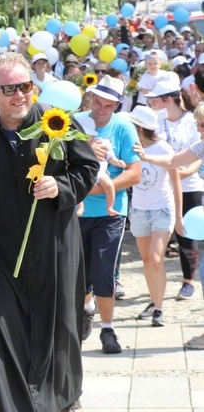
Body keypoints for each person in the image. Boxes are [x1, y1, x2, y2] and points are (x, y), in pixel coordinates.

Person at [0, 53, 99, 412]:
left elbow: (87, 169)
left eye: (25, 86)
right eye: (9, 88)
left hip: (55, 242)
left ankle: (68, 397)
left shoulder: (58, 122)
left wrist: (61, 188)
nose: (20, 95)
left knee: (62, 323)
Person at [75, 76, 141, 352]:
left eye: (108, 105)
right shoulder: (75, 122)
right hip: (76, 212)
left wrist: (102, 190)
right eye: (97, 102)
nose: (100, 109)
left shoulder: (124, 126)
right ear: (90, 97)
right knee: (77, 274)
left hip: (111, 212)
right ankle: (86, 307)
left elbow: (134, 172)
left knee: (104, 270)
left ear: (117, 104)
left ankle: (108, 329)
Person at [125, 106, 183, 327]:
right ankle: (154, 299)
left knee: (156, 258)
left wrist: (179, 216)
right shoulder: (131, 146)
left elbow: (176, 182)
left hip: (162, 208)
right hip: (138, 209)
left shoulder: (163, 148)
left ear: (139, 127)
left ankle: (159, 309)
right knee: (147, 261)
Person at [146, 80, 202, 302]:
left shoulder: (192, 121)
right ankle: (156, 289)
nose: (151, 103)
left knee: (186, 234)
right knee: (159, 237)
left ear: (167, 99)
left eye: (154, 99)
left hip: (190, 186)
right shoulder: (156, 121)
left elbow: (196, 159)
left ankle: (188, 282)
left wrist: (178, 176)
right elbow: (167, 156)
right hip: (162, 188)